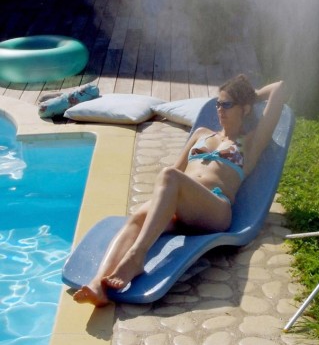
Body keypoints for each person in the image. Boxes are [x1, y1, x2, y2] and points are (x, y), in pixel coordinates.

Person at [73, 74, 287, 307]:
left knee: (169, 175)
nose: (219, 110)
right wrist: (156, 207)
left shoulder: (251, 142)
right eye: (218, 103)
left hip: (214, 210)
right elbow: (177, 169)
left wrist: (250, 95)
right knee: (136, 220)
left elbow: (280, 88)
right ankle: (97, 284)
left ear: (245, 109)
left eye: (227, 104)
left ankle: (136, 257)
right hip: (181, 207)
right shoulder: (202, 134)